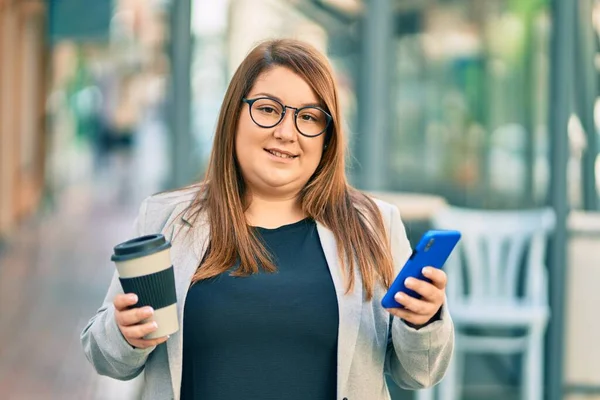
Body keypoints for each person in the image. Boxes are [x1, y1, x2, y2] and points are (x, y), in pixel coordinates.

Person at [81, 38, 454, 400]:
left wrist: (421, 321)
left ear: (328, 136)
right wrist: (127, 334)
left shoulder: (373, 225)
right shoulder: (167, 219)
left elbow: (419, 372)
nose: (286, 132)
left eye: (308, 117)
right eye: (268, 109)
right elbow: (105, 356)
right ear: (234, 115)